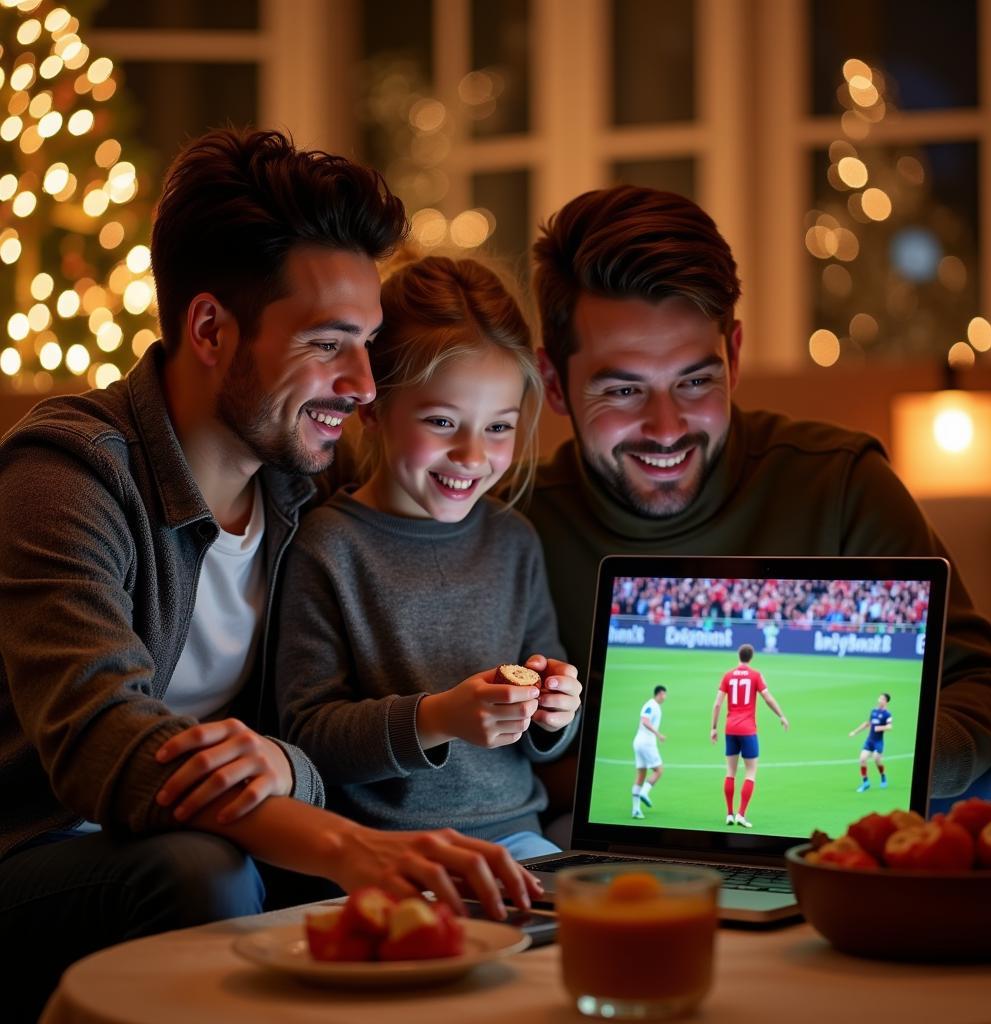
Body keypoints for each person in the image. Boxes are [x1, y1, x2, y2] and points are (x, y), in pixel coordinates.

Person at [0, 130, 536, 1020]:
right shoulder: (65, 477)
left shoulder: (303, 486)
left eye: (367, 344)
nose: (364, 385)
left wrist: (289, 766)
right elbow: (106, 744)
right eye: (330, 343)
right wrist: (352, 849)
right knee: (201, 869)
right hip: (42, 849)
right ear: (210, 328)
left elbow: (302, 732)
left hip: (238, 836)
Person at [523, 184, 991, 819]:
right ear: (553, 384)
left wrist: (881, 771)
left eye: (696, 380)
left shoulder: (840, 483)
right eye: (623, 391)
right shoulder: (513, 524)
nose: (668, 426)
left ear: (733, 356)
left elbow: (984, 685)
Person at [275, 255, 582, 861]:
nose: (472, 455)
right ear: (373, 407)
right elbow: (307, 738)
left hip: (518, 841)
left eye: (499, 427)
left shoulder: (514, 541)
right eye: (442, 421)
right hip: (379, 854)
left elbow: (554, 724)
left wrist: (556, 713)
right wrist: (436, 718)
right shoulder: (328, 547)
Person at [710, 645, 788, 828]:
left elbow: (717, 705)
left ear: (739, 655)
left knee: (730, 772)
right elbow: (768, 698)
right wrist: (781, 715)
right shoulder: (755, 675)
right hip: (748, 730)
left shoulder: (728, 675)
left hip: (730, 729)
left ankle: (729, 814)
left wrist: (713, 728)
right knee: (750, 772)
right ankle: (741, 814)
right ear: (751, 657)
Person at [631, 685, 667, 819]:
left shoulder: (650, 704)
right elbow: (645, 721)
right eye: (664, 694)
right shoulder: (653, 706)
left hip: (638, 742)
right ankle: (644, 793)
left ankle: (635, 810)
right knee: (659, 770)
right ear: (660, 693)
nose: (665, 697)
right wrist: (658, 734)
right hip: (647, 743)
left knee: (640, 776)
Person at [849, 692, 893, 792]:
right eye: (879, 698)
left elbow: (890, 727)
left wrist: (880, 727)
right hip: (870, 740)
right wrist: (855, 732)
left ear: (886, 701)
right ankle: (865, 782)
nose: (879, 700)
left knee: (877, 760)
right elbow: (867, 724)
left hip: (878, 741)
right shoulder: (873, 711)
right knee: (862, 759)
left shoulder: (887, 714)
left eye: (882, 699)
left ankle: (883, 776)